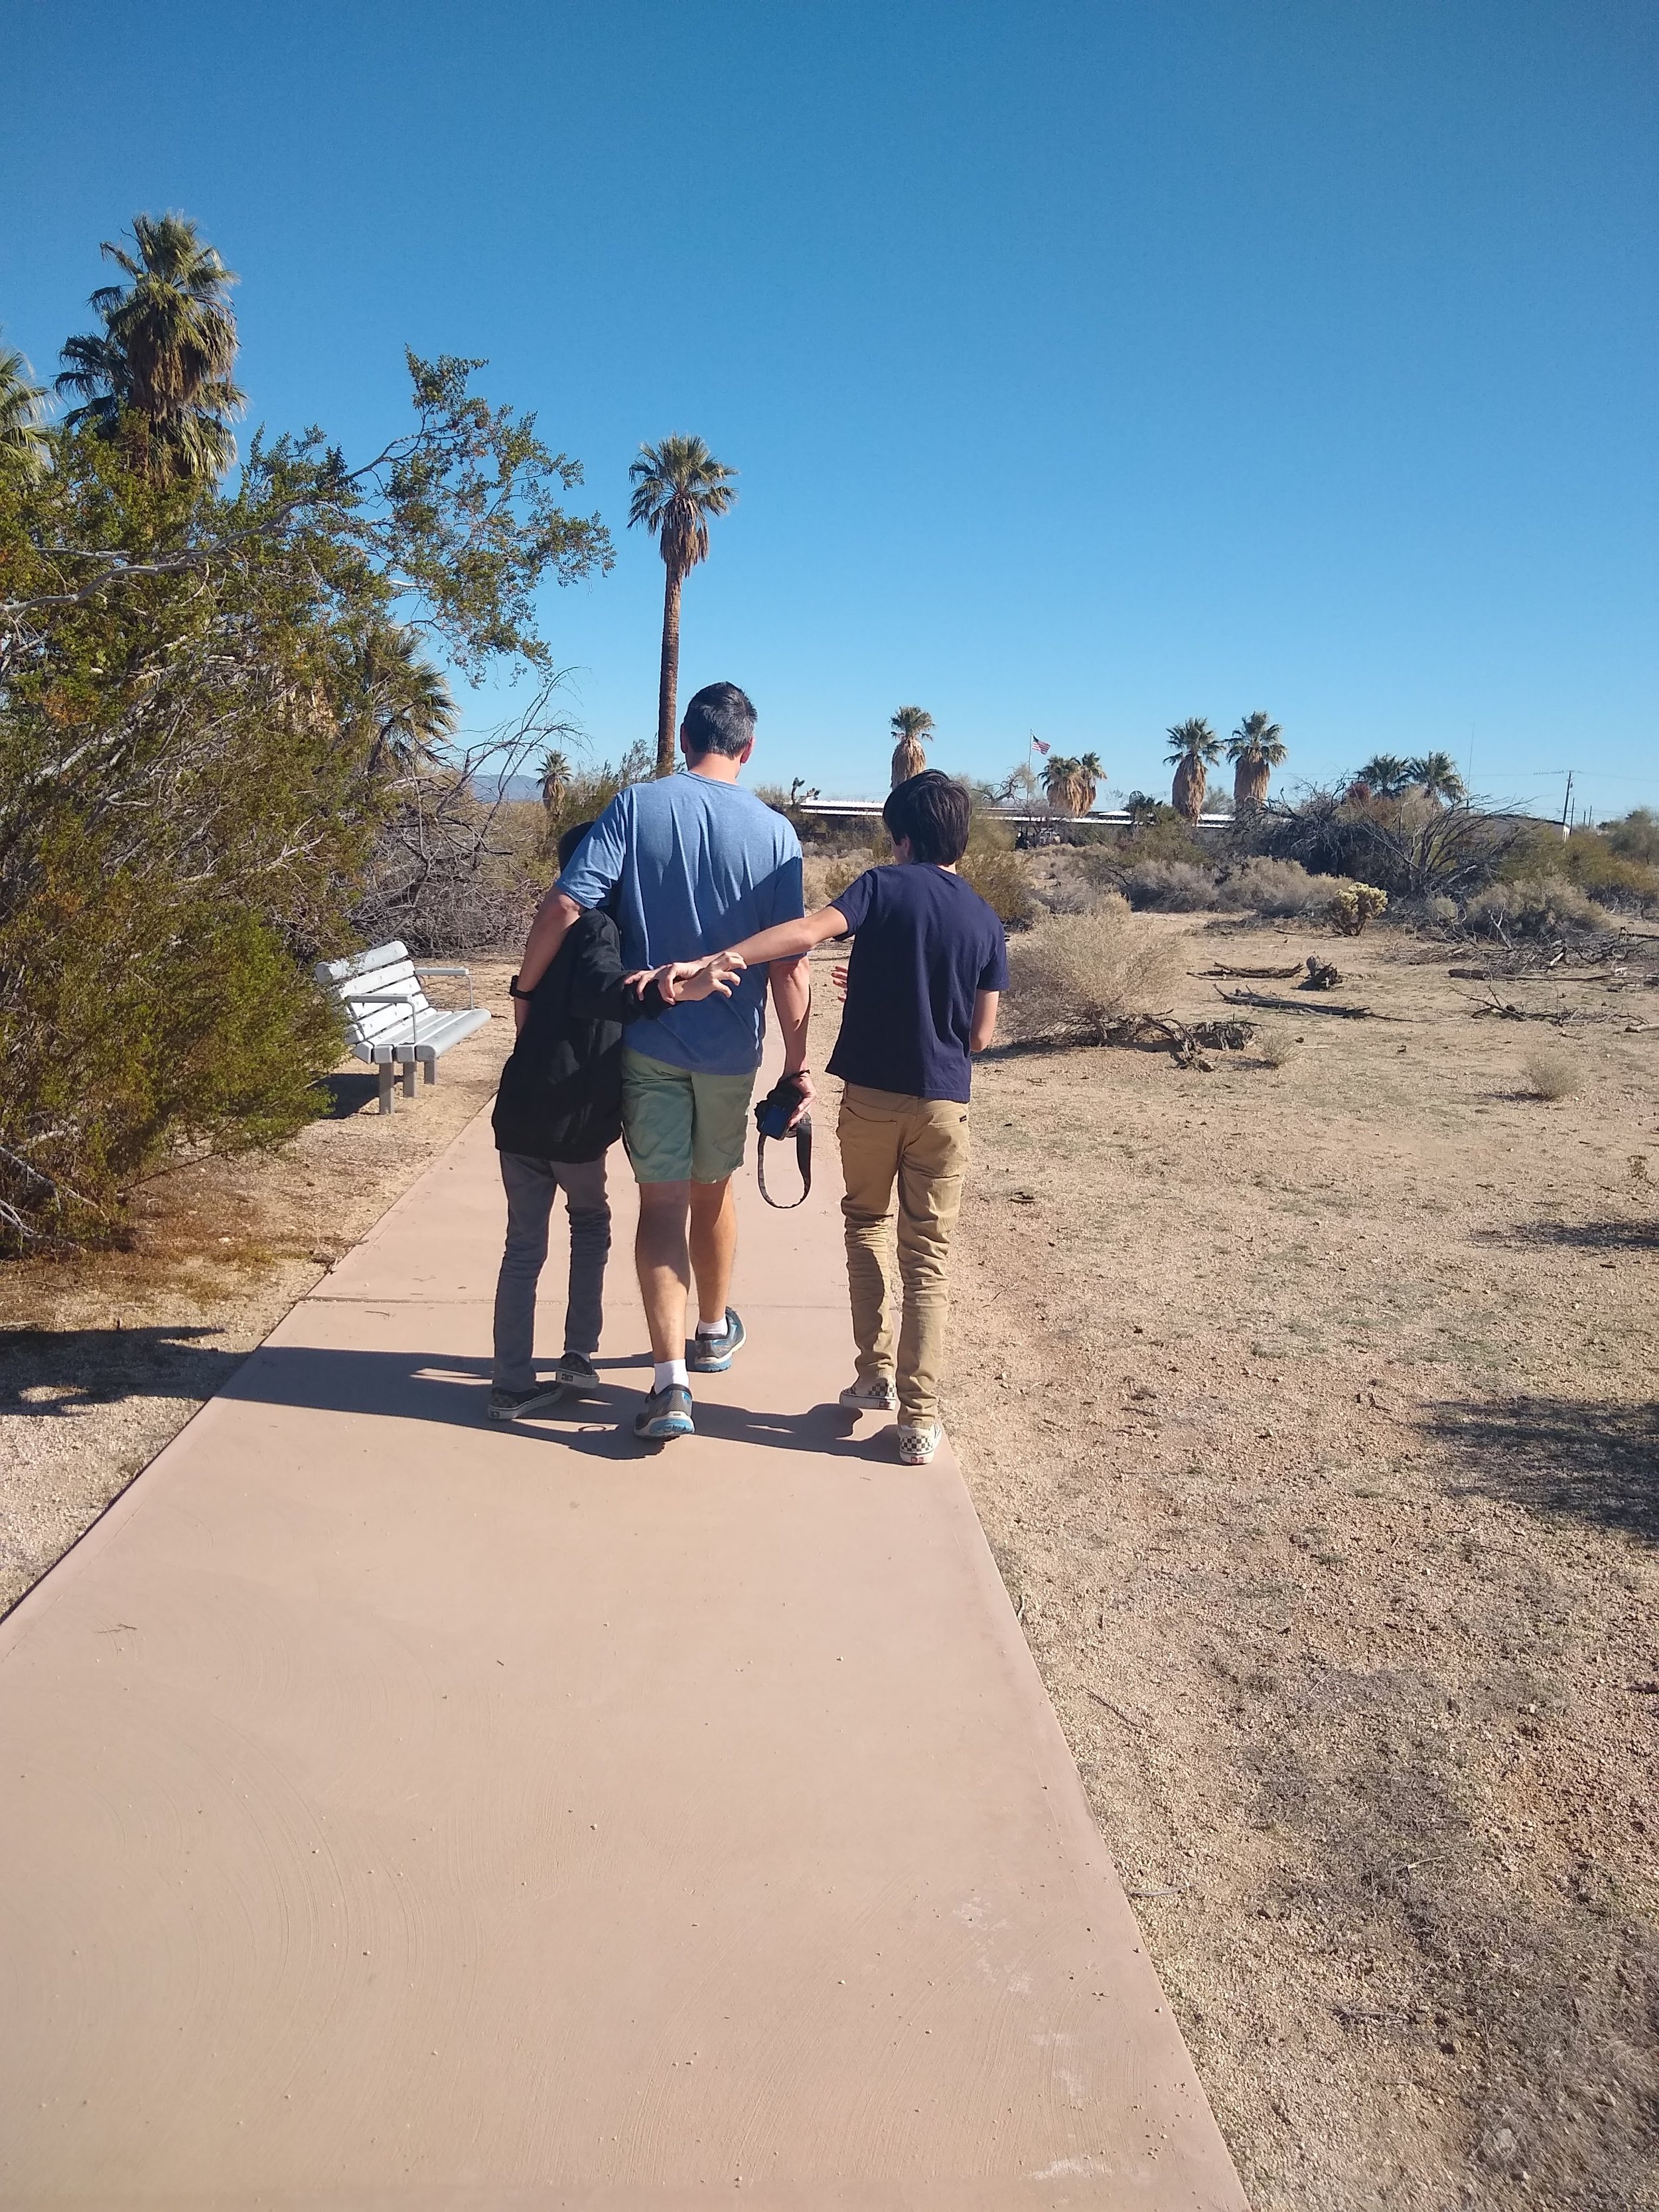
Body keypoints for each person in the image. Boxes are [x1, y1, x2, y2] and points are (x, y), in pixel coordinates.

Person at [664, 770, 1005, 1465]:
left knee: (866, 1230)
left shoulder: (880, 887)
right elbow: (979, 1037)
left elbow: (806, 933)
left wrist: (727, 956)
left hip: (872, 1103)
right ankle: (919, 1419)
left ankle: (872, 1375)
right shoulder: (984, 917)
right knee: (928, 1262)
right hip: (944, 1106)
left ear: (900, 836)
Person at [508, 682, 811, 1443]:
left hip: (648, 1046)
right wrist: (796, 1064)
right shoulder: (777, 836)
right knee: (714, 1192)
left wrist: (525, 991)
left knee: (662, 1206)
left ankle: (668, 1385)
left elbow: (564, 908)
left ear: (684, 740)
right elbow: (790, 965)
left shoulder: (637, 807)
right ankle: (713, 1328)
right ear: (748, 748)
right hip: (731, 1052)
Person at [488, 818, 740, 1424]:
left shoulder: (545, 935)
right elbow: (602, 985)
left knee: (522, 1247)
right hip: (570, 1120)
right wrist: (660, 991)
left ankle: (511, 1382)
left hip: (519, 1113)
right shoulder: (596, 925)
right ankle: (578, 1352)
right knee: (590, 1226)